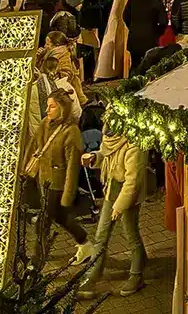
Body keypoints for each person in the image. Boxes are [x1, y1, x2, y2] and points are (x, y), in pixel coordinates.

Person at [76, 131, 149, 298]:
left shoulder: (135, 143)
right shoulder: (112, 137)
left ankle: (136, 275)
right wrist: (95, 157)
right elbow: (106, 154)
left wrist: (119, 207)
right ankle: (92, 277)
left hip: (130, 194)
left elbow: (133, 181)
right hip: (112, 189)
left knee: (131, 233)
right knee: (101, 234)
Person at [25, 90, 90, 256]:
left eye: (52, 107)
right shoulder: (45, 123)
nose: (47, 110)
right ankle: (84, 241)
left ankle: (37, 260)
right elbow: (33, 146)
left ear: (62, 108)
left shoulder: (71, 131)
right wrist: (24, 169)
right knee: (61, 217)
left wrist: (67, 195)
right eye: (47, 106)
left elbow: (72, 166)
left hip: (57, 184)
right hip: (43, 179)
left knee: (43, 222)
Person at [123, 0, 167, 73]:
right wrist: (157, 33)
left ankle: (131, 85)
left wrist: (132, 27)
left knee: (135, 65)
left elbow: (125, 16)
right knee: (149, 67)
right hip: (150, 39)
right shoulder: (156, 2)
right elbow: (163, 22)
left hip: (134, 38)